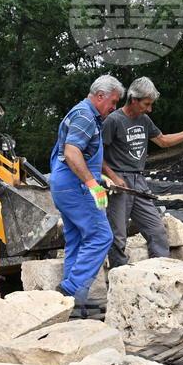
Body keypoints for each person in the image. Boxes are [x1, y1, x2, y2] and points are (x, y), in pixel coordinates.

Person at [102, 77, 183, 267]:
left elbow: (162, 140)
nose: (149, 109)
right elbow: (97, 156)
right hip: (118, 182)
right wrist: (113, 178)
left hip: (138, 180)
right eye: (146, 104)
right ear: (133, 99)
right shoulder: (113, 121)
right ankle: (119, 276)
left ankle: (160, 272)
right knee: (118, 235)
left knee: (156, 230)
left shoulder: (144, 119)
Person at [49, 75, 123, 309]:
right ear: (100, 96)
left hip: (64, 185)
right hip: (76, 187)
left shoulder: (83, 114)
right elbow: (71, 153)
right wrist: (93, 185)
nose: (114, 108)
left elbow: (78, 155)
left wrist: (100, 176)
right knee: (102, 236)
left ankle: (73, 303)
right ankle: (70, 290)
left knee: (78, 239)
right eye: (112, 102)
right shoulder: (84, 116)